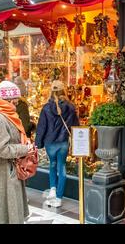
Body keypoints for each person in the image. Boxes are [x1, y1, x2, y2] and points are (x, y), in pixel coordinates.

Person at [0, 81, 34, 224]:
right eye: (15, 101)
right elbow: (1, 149)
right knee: (3, 211)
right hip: (3, 170)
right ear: (8, 100)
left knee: (9, 210)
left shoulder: (3, 114)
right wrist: (25, 149)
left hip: (8, 168)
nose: (16, 104)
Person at [35, 80, 79, 208]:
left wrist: (38, 144)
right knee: (62, 167)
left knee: (52, 165)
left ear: (51, 91)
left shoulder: (46, 108)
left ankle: (53, 190)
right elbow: (75, 126)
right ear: (63, 91)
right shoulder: (70, 107)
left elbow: (41, 127)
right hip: (63, 142)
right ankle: (59, 197)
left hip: (50, 143)